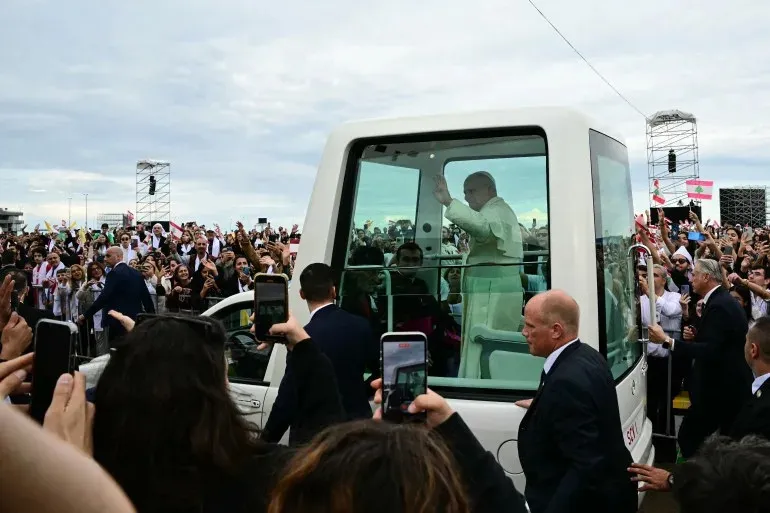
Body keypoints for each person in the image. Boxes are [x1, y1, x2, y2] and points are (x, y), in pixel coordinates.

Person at [516, 290, 636, 513]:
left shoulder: (566, 383)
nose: (524, 332)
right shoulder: (588, 355)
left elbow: (585, 465)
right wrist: (544, 403)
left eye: (530, 326)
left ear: (556, 330)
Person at [629, 316, 770, 492]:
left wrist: (673, 480)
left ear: (753, 350)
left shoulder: (762, 408)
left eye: (745, 341)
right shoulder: (756, 391)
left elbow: (741, 470)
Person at [262, 263, 377, 445]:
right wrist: (359, 392)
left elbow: (288, 396)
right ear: (333, 291)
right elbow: (379, 371)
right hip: (358, 430)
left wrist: (264, 444)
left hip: (317, 439)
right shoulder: (361, 326)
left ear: (302, 294)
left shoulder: (302, 337)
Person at [648, 258, 753, 458]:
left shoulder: (719, 305)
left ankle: (698, 474)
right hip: (721, 388)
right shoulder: (719, 301)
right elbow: (719, 342)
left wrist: (667, 340)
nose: (691, 279)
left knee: (690, 438)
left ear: (706, 277)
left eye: (694, 274)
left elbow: (711, 350)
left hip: (720, 389)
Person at [433, 172, 523, 378]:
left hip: (490, 291)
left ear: (491, 190)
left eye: (472, 191)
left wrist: (448, 201)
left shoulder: (496, 210)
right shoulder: (496, 210)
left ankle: (479, 385)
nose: (466, 197)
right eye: (465, 192)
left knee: (482, 345)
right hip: (491, 289)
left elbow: (482, 228)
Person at [78, 247, 155, 344]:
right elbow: (146, 298)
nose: (105, 259)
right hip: (134, 321)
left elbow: (104, 298)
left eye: (108, 256)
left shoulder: (113, 273)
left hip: (117, 322)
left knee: (118, 351)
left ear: (118, 257)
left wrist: (85, 315)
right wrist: (153, 319)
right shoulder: (136, 273)